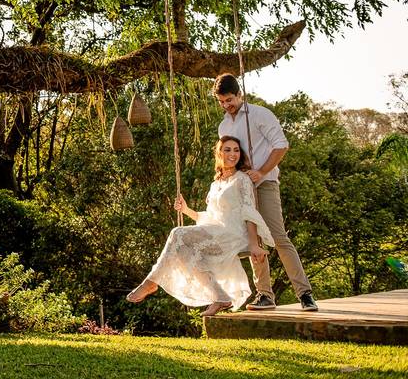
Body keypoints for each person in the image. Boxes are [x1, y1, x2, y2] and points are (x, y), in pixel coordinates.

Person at [126, 136, 274, 316]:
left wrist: (253, 244)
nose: (233, 154)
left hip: (234, 233)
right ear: (219, 153)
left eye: (236, 150)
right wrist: (187, 210)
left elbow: (249, 212)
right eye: (227, 150)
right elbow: (211, 217)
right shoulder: (216, 184)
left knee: (178, 233)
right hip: (218, 230)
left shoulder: (242, 179)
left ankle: (151, 281)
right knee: (183, 250)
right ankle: (220, 297)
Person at [213, 73, 318, 312]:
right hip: (241, 187)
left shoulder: (260, 114)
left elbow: (282, 145)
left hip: (265, 183)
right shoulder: (224, 126)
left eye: (229, 100)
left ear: (239, 95)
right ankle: (265, 295)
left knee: (279, 237)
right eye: (221, 102)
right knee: (254, 241)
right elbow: (229, 156)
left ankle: (305, 294)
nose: (226, 105)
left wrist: (261, 172)